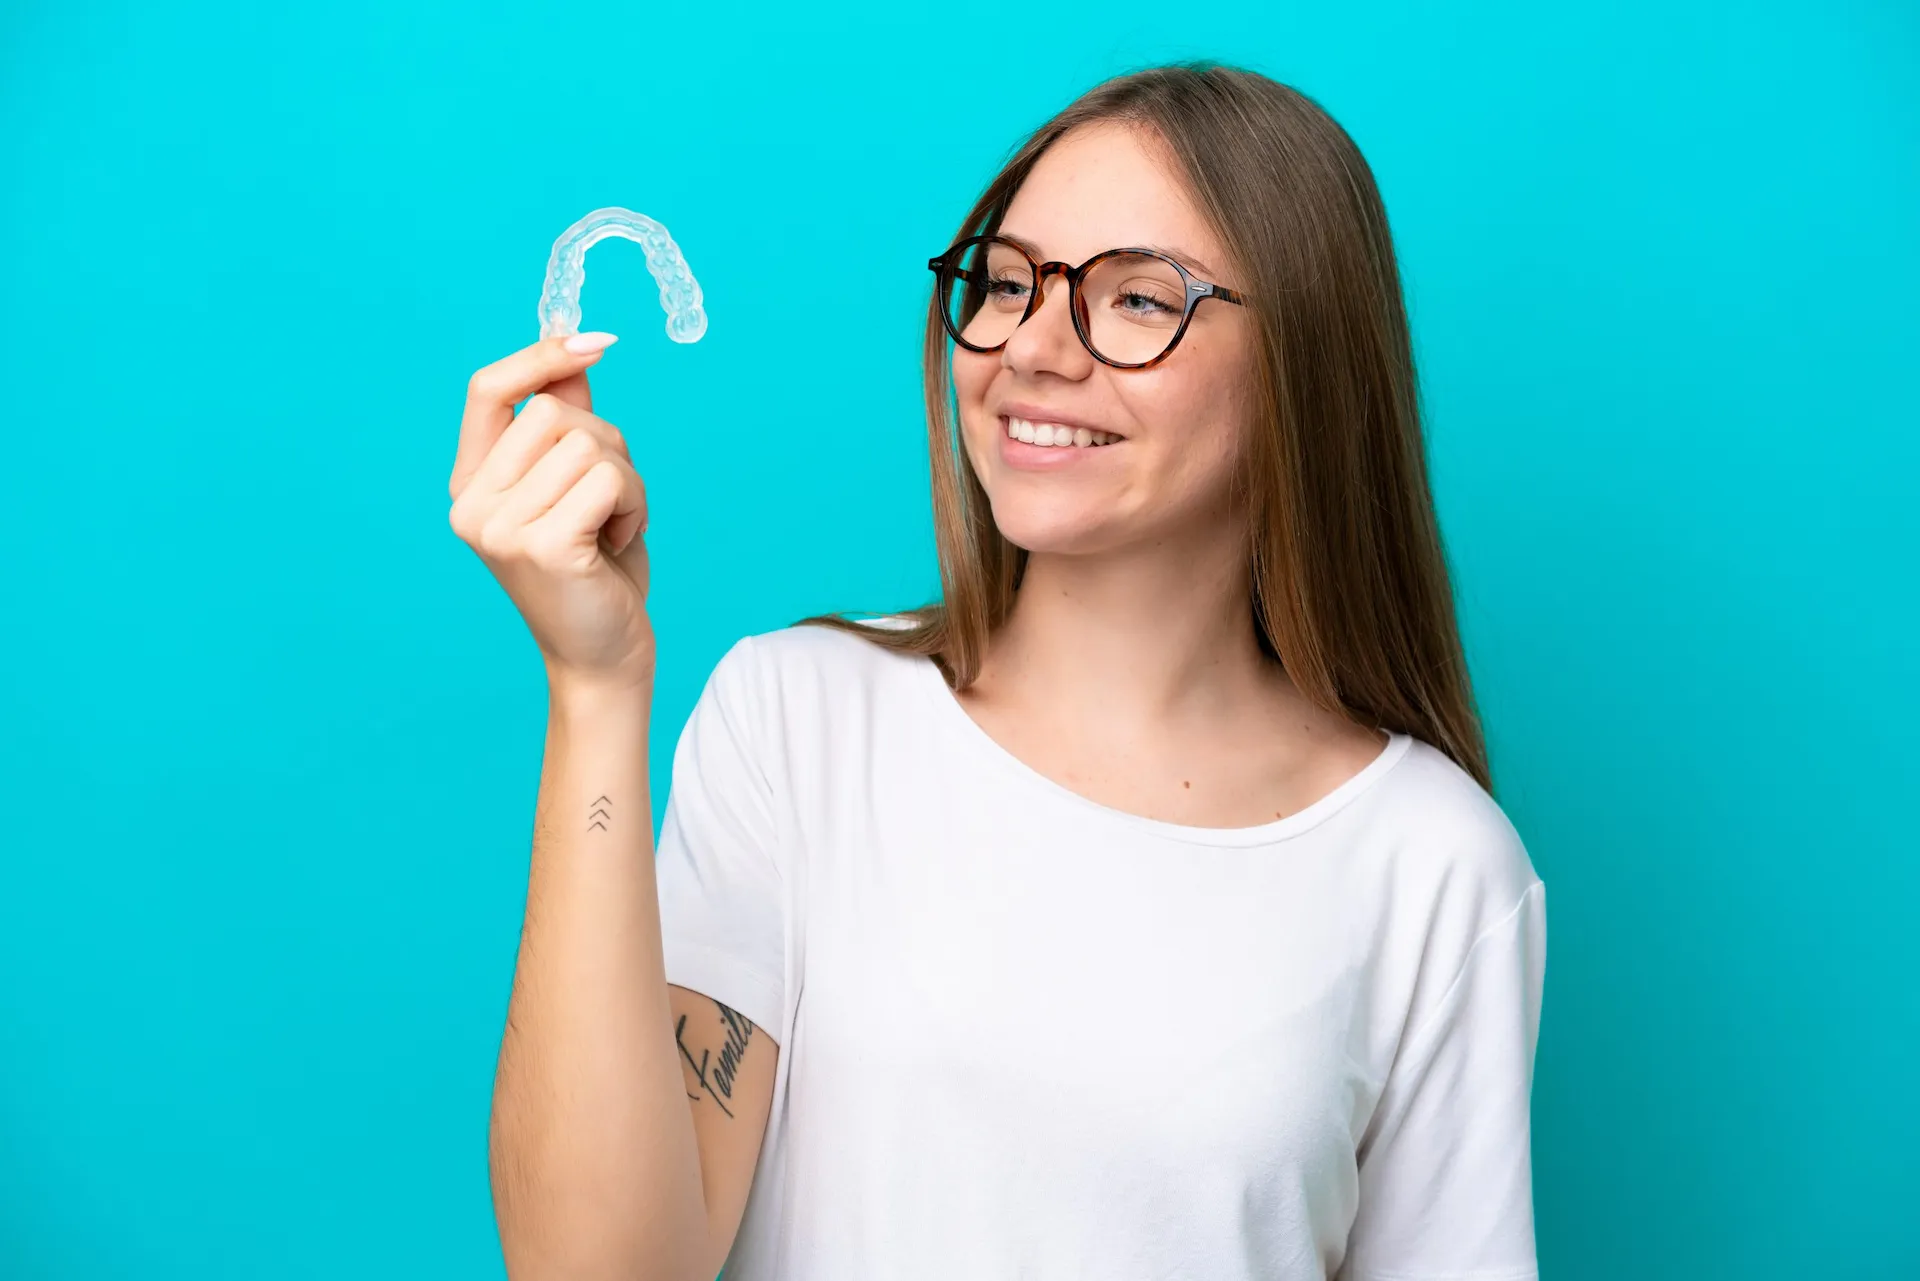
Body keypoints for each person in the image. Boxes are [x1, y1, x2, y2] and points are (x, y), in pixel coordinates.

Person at [452, 60, 1547, 1281]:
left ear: (1306, 361)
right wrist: (596, 686)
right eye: (1010, 283)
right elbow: (596, 1269)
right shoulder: (799, 722)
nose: (1030, 347)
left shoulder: (1434, 865)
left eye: (1139, 299)